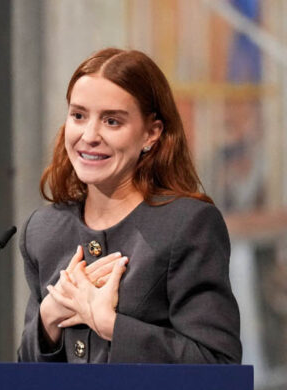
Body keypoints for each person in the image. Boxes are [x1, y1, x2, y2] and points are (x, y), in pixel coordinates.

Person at [18, 47, 241, 363]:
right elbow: (23, 385)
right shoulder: (42, 230)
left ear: (151, 133)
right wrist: (49, 318)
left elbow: (218, 366)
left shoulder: (188, 224)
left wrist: (110, 325)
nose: (89, 135)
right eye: (78, 115)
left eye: (111, 121)